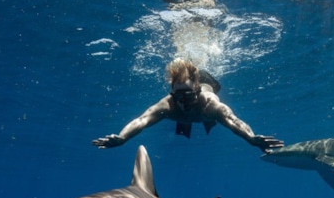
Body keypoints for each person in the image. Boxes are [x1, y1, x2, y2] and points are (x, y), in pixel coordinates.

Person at [92, 59, 283, 152]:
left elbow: (233, 121)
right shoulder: (167, 105)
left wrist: (251, 138)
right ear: (172, 94)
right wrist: (123, 137)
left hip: (209, 88)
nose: (184, 103)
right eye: (179, 97)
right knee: (185, 124)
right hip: (190, 108)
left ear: (198, 93)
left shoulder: (210, 105)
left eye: (189, 96)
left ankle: (206, 120)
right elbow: (142, 120)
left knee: (213, 120)